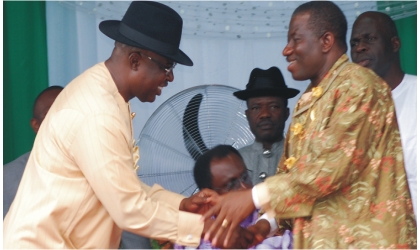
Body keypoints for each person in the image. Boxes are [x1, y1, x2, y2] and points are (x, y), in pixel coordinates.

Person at [3, 2, 252, 248]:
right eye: (166, 67)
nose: (170, 77)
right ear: (135, 61)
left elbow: (121, 186)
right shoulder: (97, 112)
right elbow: (129, 210)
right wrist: (205, 229)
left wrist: (181, 205)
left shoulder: (106, 95)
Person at [202, 1, 417, 249]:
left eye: (296, 40)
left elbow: (332, 168)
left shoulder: (360, 85)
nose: (286, 50)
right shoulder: (310, 100)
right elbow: (295, 178)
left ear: (326, 42)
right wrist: (261, 228)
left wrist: (252, 197)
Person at [350, 11, 417, 217]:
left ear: (395, 45)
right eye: (354, 43)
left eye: (370, 39)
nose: (360, 47)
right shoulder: (349, 109)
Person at [174, 145, 292, 249]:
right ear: (208, 194)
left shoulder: (276, 212)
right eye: (231, 185)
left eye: (245, 176)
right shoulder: (193, 239)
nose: (244, 187)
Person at [3, 85, 63, 219]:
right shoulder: (7, 179)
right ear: (36, 125)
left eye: (67, 111)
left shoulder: (100, 167)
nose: (61, 119)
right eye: (50, 113)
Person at [234, 67, 299, 185]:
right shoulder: (234, 161)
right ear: (247, 115)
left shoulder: (301, 156)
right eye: (256, 108)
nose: (265, 114)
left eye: (273, 106)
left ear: (286, 113)